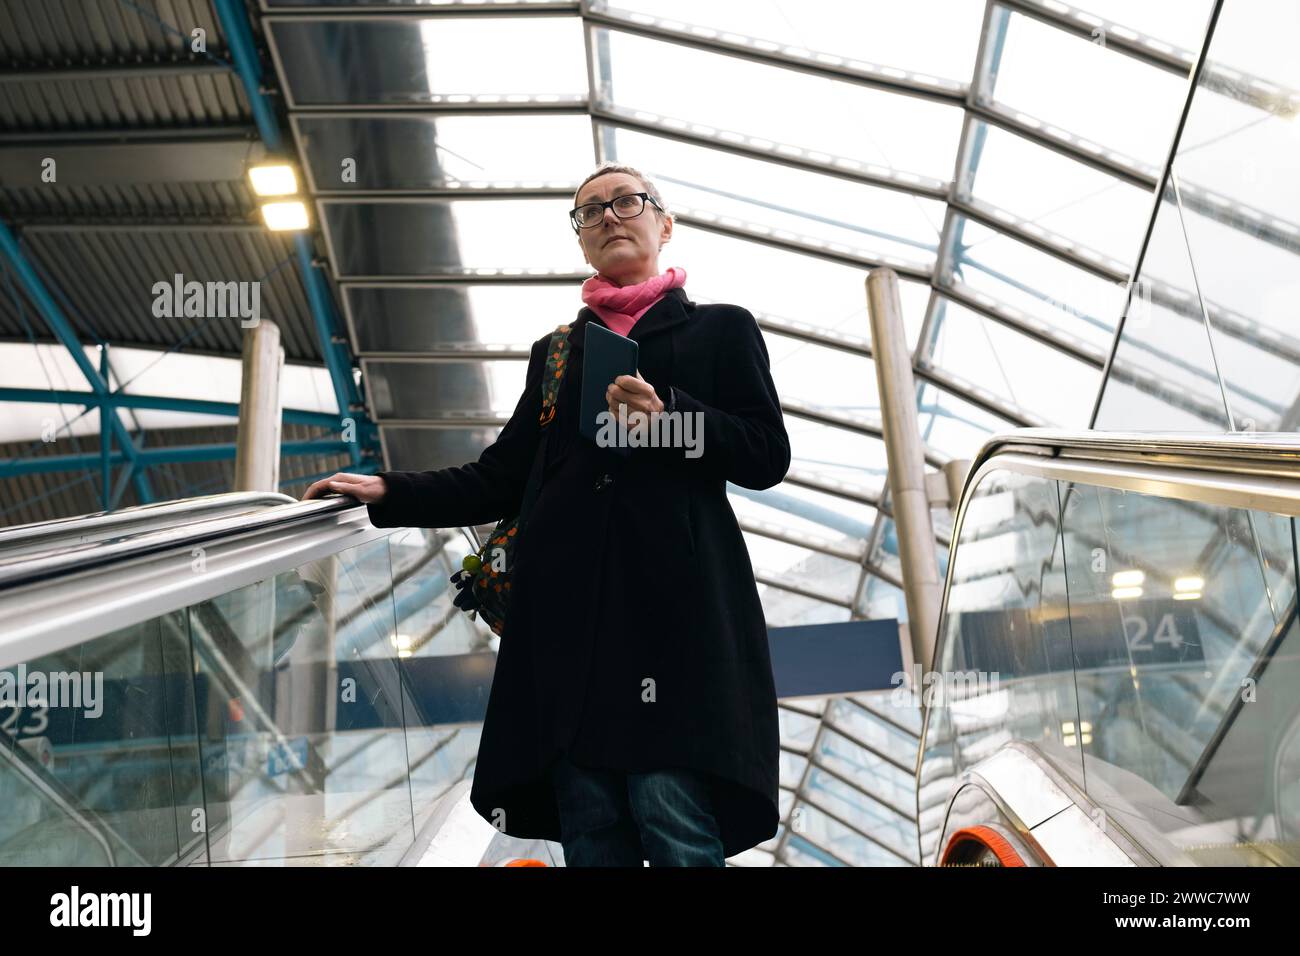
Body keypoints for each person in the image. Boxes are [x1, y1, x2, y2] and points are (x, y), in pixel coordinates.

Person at [304, 161, 790, 866]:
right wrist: (389, 492)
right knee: (593, 830)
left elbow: (764, 453)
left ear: (664, 223)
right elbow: (500, 476)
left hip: (673, 629)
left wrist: (672, 419)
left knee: (671, 811)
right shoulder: (559, 354)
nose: (610, 216)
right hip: (567, 635)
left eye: (628, 201)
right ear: (583, 242)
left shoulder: (719, 331)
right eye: (591, 211)